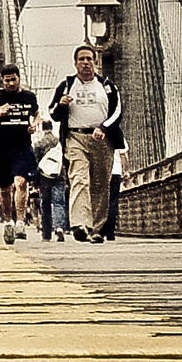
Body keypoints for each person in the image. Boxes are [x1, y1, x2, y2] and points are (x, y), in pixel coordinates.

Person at [48, 44, 122, 243]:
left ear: (95, 62)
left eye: (89, 59)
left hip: (102, 140)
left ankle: (96, 229)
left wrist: (104, 128)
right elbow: (53, 113)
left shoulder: (107, 86)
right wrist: (61, 105)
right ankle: (81, 225)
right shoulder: (66, 85)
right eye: (82, 59)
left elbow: (117, 112)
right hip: (75, 137)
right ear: (75, 63)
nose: (86, 63)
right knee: (79, 178)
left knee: (100, 185)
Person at [0, 63, 42, 243]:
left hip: (22, 146)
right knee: (5, 188)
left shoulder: (29, 96)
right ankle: (8, 222)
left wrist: (34, 124)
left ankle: (21, 223)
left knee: (21, 182)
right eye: (7, 81)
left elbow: (38, 114)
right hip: (1, 148)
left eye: (13, 79)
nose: (10, 83)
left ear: (19, 78)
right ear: (2, 80)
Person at [32, 120, 68, 242]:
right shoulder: (59, 142)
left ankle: (46, 233)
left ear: (42, 128)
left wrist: (35, 183)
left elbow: (35, 164)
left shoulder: (38, 144)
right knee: (59, 202)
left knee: (45, 204)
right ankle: (59, 228)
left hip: (44, 177)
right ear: (52, 127)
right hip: (59, 176)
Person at [101, 141, 128, 241]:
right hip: (116, 172)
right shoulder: (118, 135)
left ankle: (100, 230)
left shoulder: (98, 135)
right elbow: (124, 155)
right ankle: (110, 233)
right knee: (113, 202)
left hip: (102, 173)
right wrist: (125, 171)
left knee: (101, 202)